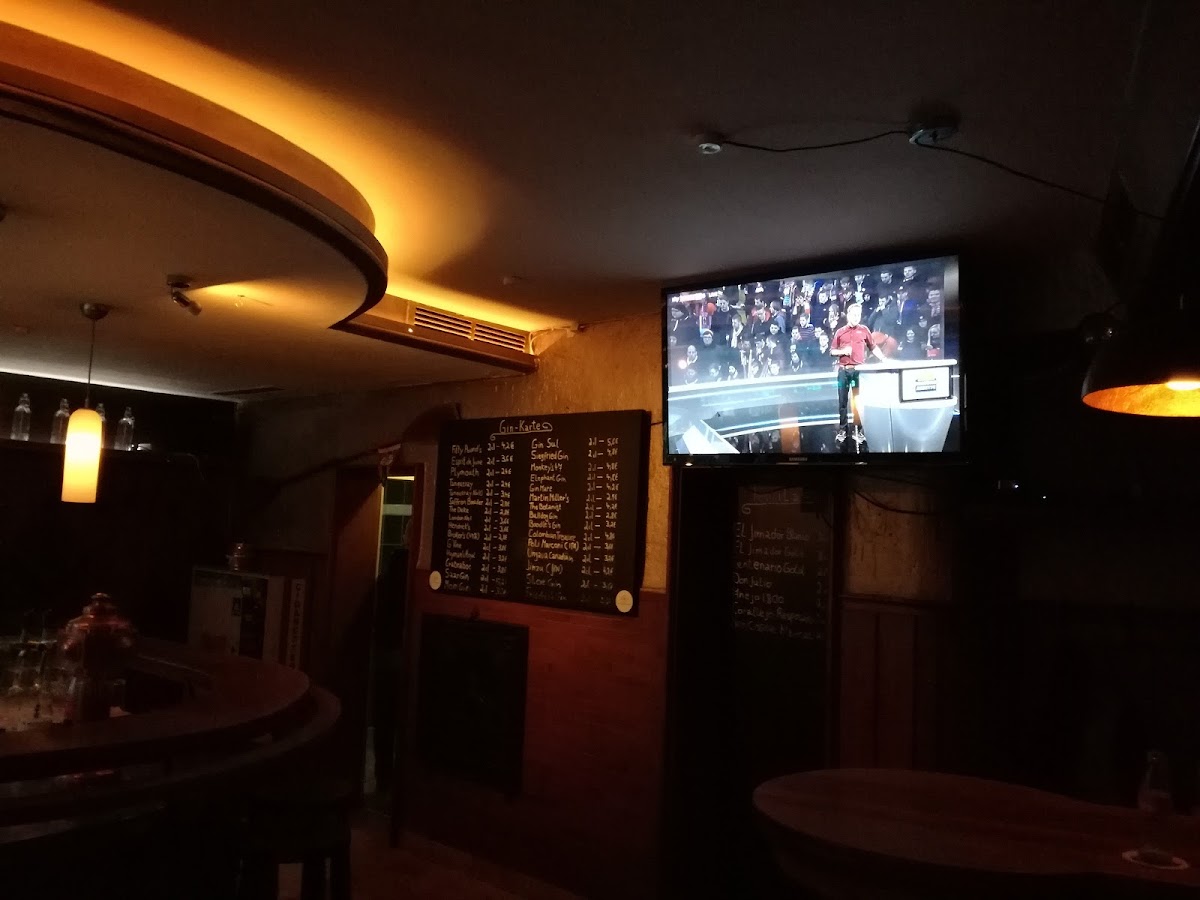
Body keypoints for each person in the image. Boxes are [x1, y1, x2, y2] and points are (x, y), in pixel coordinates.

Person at [831, 302, 885, 447]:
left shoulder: (864, 330)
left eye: (858, 315)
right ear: (848, 315)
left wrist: (883, 359)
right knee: (842, 402)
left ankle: (858, 430)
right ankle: (843, 430)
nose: (856, 317)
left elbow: (873, 347)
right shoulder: (840, 332)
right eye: (854, 314)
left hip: (858, 372)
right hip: (843, 371)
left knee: (858, 402)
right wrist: (843, 351)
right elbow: (832, 351)